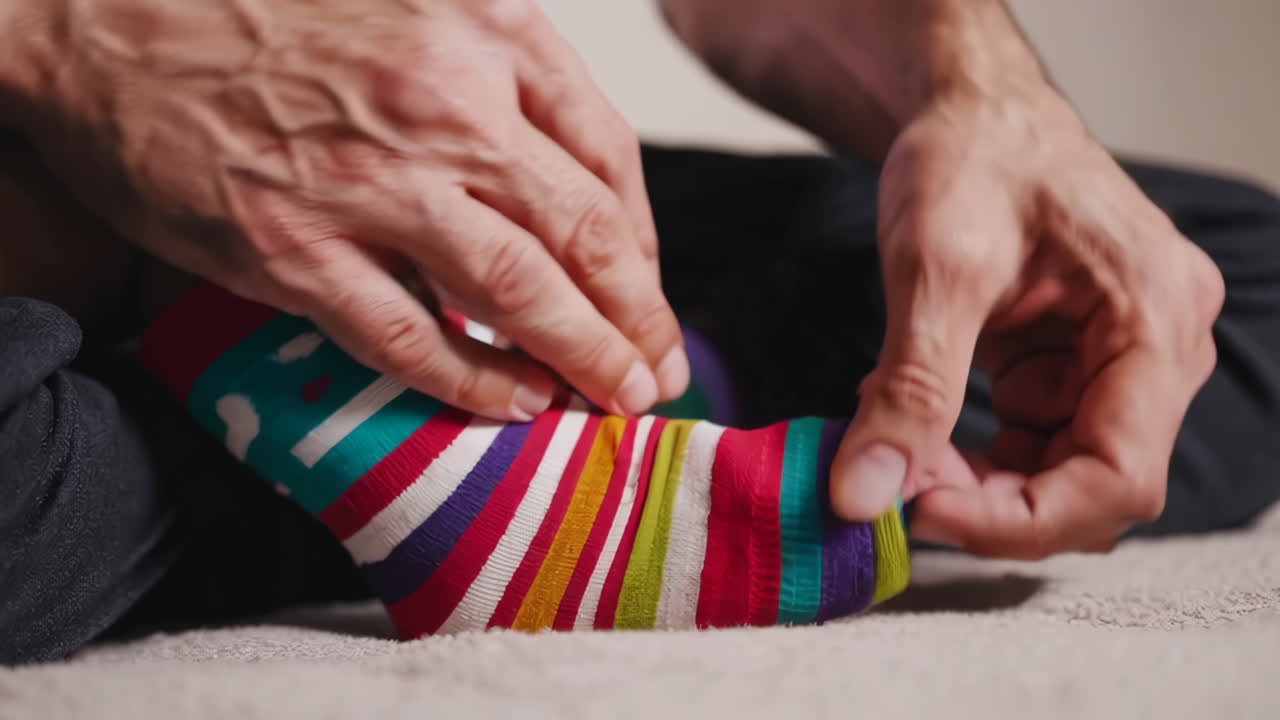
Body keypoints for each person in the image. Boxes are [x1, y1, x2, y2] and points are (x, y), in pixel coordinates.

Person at [2, 0, 1278, 663]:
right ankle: (432, 440)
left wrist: (982, 96)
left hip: (361, 145)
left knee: (1213, 285)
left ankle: (500, 408)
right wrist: (75, 43)